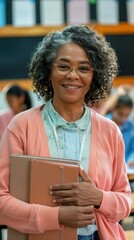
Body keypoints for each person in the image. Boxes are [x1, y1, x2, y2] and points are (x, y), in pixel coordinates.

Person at [0, 25, 131, 240]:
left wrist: (98, 197)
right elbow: (2, 200)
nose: (73, 75)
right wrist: (57, 216)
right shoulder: (21, 126)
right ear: (48, 70)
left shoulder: (110, 131)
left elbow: (125, 202)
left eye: (84, 68)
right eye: (63, 66)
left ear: (94, 75)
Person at [106, 94, 134, 164]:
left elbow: (132, 150)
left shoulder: (131, 126)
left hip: (125, 167)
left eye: (127, 115)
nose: (123, 118)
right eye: (120, 114)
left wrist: (131, 159)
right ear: (114, 109)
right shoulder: (104, 123)